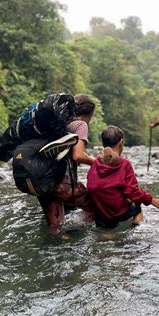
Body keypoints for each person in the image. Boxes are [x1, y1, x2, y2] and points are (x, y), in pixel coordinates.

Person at [37, 94, 96, 235]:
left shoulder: (55, 122)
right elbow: (78, 155)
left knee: (55, 227)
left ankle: (51, 249)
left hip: (43, 182)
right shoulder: (80, 124)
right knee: (97, 208)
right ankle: (79, 234)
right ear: (89, 114)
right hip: (63, 184)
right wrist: (99, 163)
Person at [87, 125, 159, 228]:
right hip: (120, 213)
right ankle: (137, 220)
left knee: (107, 231)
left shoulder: (95, 163)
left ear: (103, 144)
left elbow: (91, 185)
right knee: (138, 201)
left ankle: (108, 233)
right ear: (121, 143)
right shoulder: (124, 164)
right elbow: (132, 191)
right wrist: (152, 200)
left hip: (101, 213)